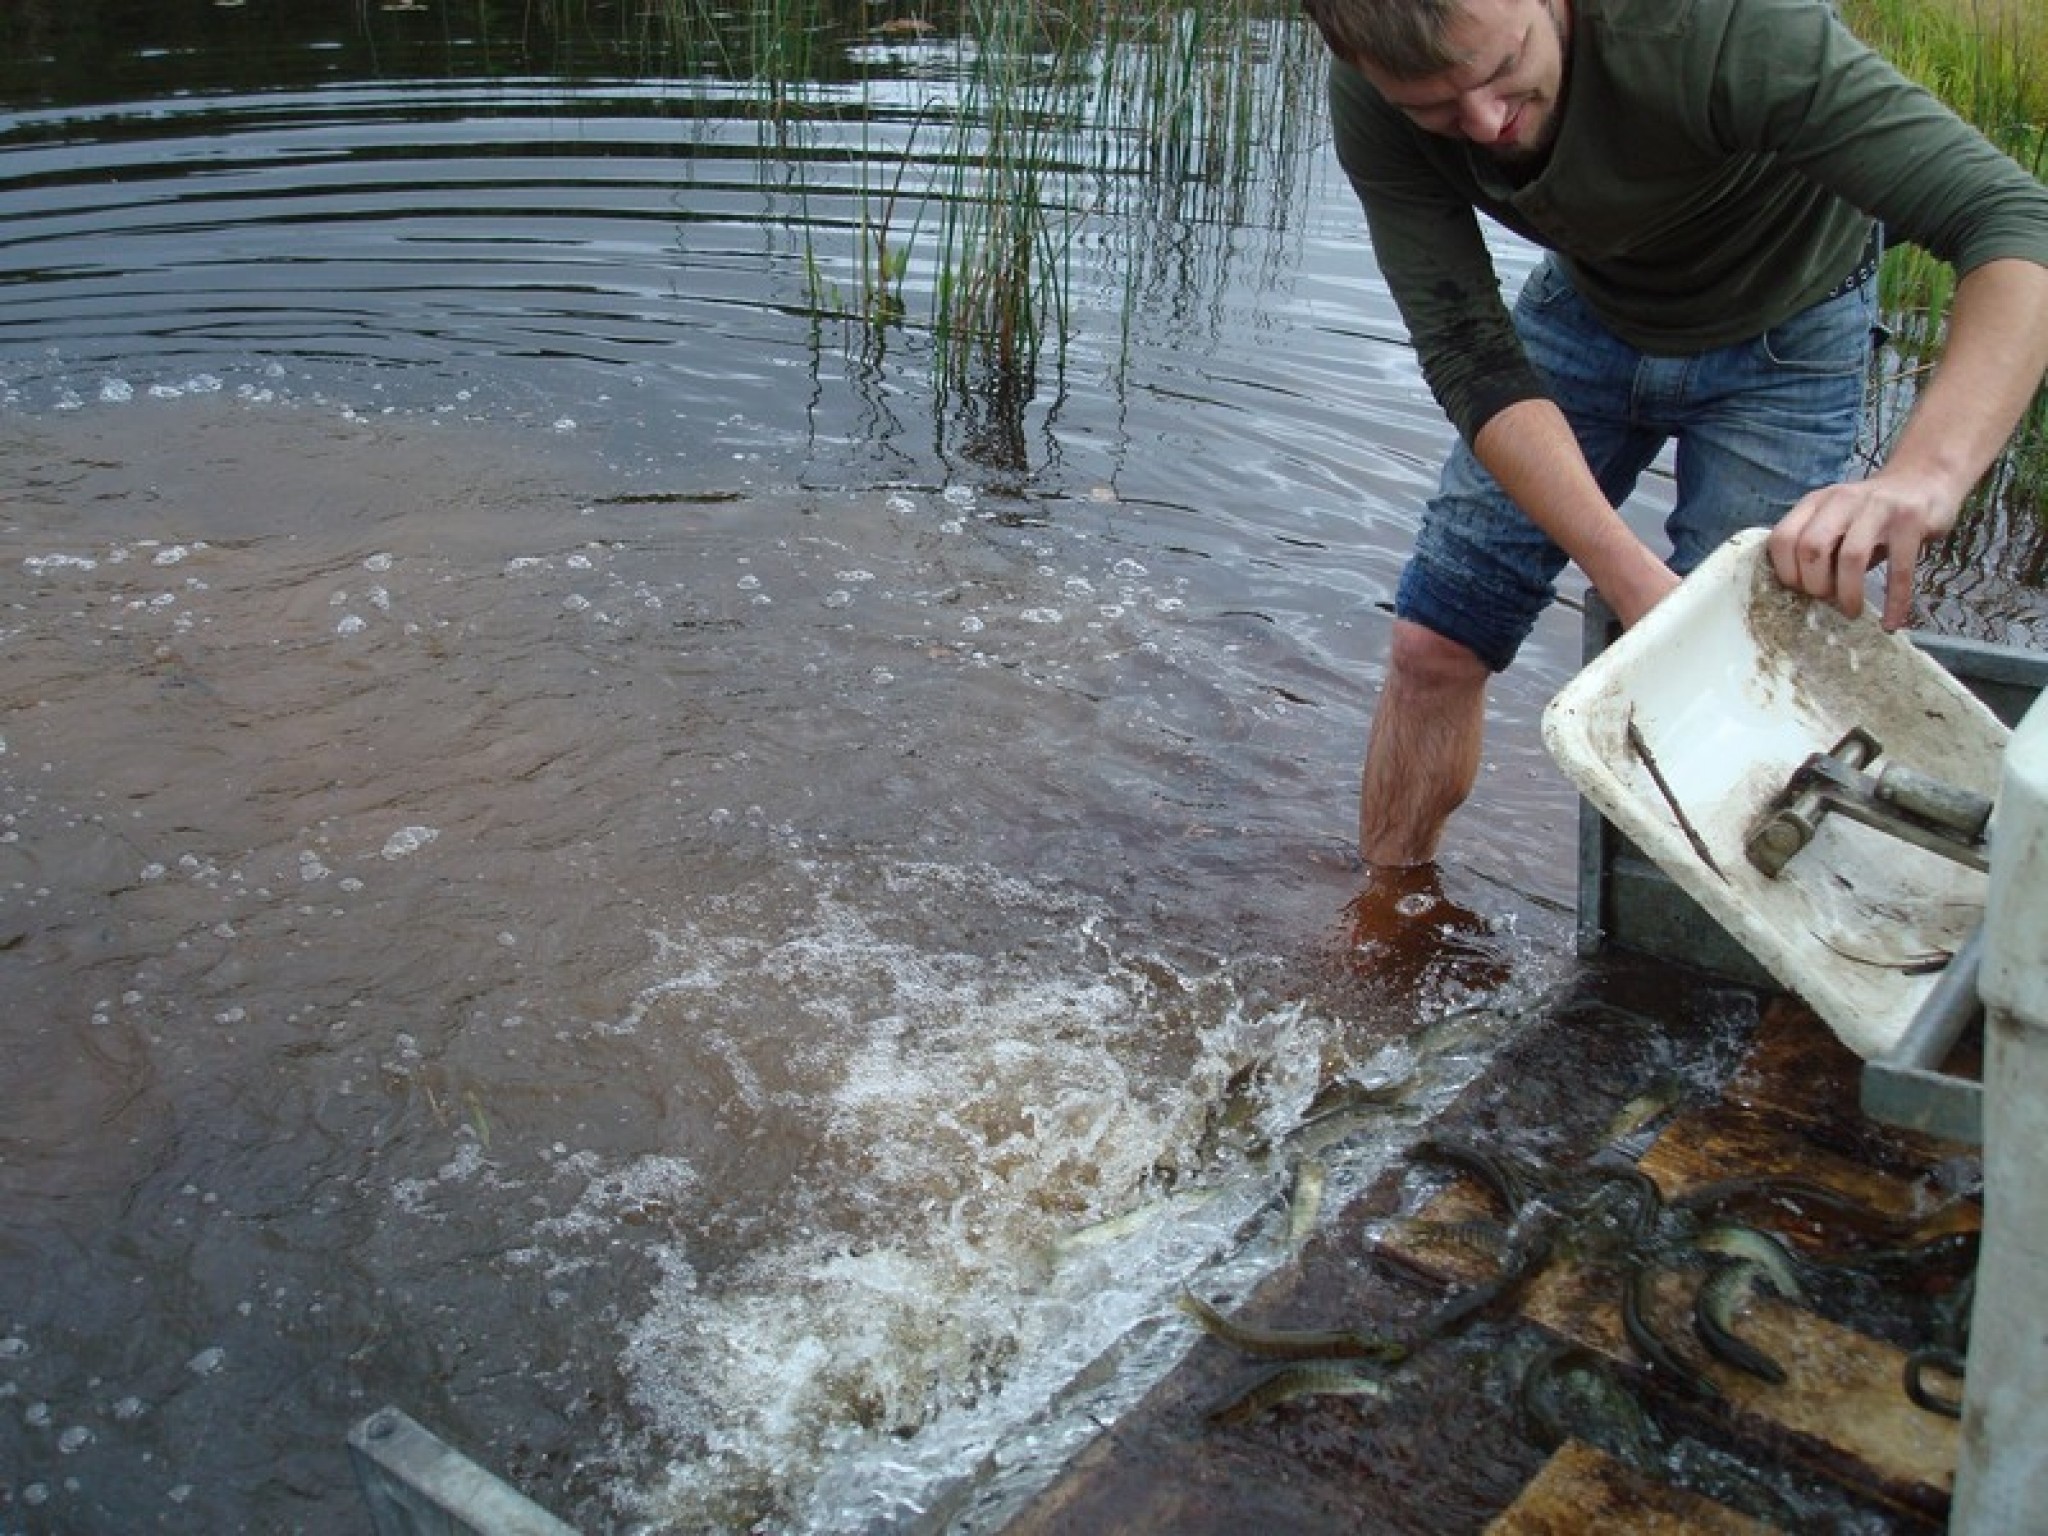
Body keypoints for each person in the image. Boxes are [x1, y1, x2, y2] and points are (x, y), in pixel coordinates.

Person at [1301, 0, 2048, 957]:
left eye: (1503, 71)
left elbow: (2010, 221)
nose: (1486, 126)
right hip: (1586, 310)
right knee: (1435, 640)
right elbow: (1469, 355)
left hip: (1790, 328)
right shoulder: (1371, 94)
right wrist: (1626, 578)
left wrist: (1925, 475)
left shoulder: (1718, 24)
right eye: (1438, 109)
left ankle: (1704, 982)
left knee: (1744, 690)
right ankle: (1386, 926)